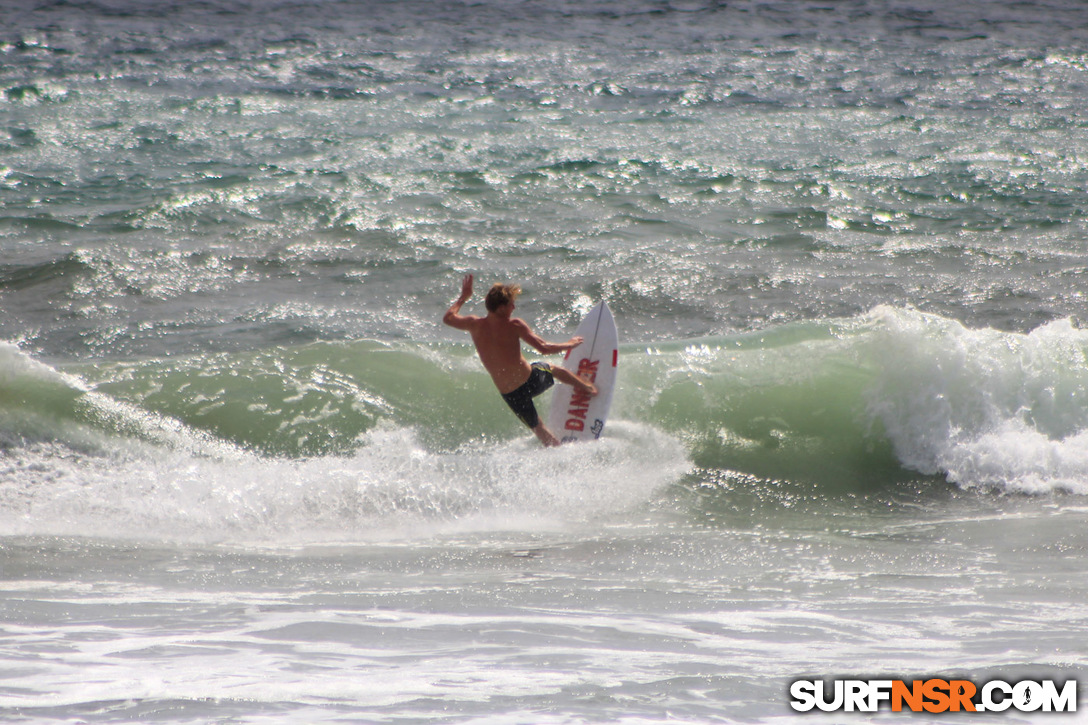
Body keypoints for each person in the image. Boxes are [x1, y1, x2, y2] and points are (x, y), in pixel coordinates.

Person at [442, 274, 597, 446]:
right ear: (501, 308)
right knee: (554, 369)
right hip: (530, 381)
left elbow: (448, 318)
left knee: (539, 428)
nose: (514, 307)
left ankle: (560, 456)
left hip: (510, 394)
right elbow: (544, 348)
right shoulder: (514, 325)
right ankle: (587, 387)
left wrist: (464, 297)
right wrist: (569, 344)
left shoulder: (474, 324)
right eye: (510, 304)